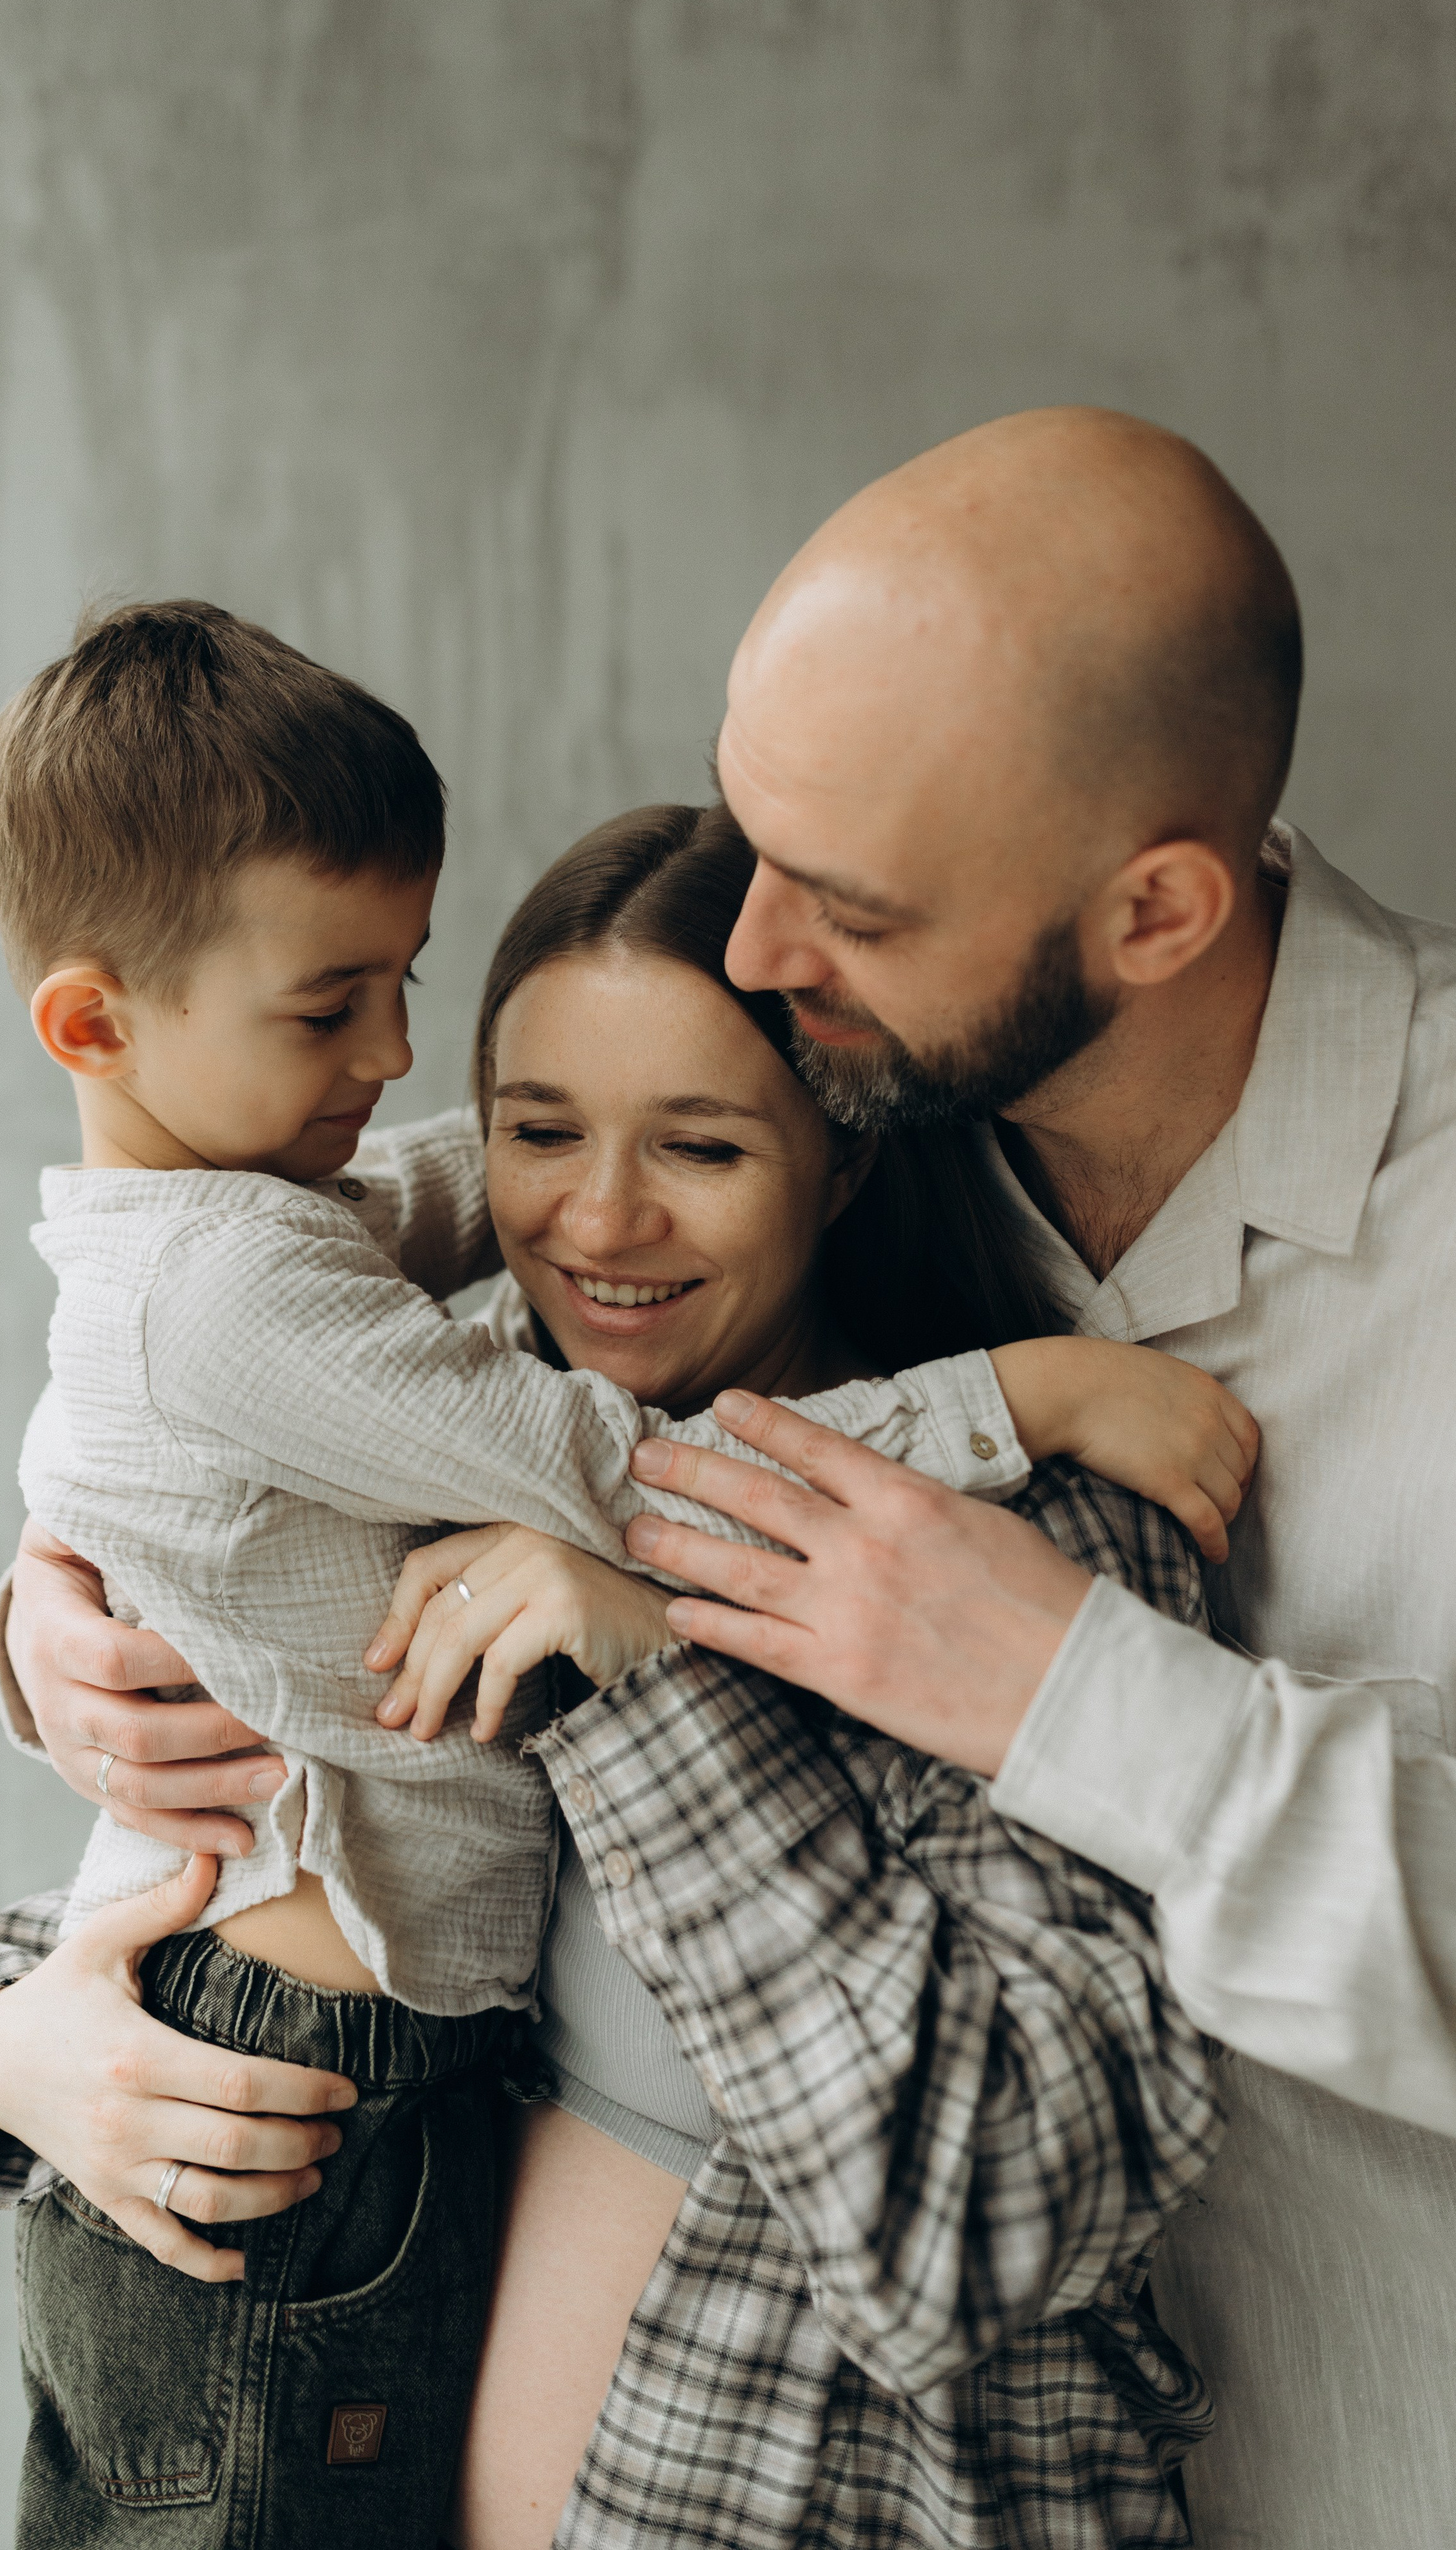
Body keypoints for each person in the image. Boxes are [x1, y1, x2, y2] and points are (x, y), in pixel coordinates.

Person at [0, 609, 1239, 2547]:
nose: (596, 1218)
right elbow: (208, 1883)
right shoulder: (456, 1437)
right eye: (541, 1131)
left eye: (704, 1146)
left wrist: (653, 1677)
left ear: (845, 1160)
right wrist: (7, 2047)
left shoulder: (1036, 1533)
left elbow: (996, 2206)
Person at [603, 406, 1456, 2549]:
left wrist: (1062, 1692)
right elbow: (410, 1246)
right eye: (750, 831)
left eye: (852, 905)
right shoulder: (839, 1091)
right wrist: (84, 1573)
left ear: (1158, 908)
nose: (754, 950)